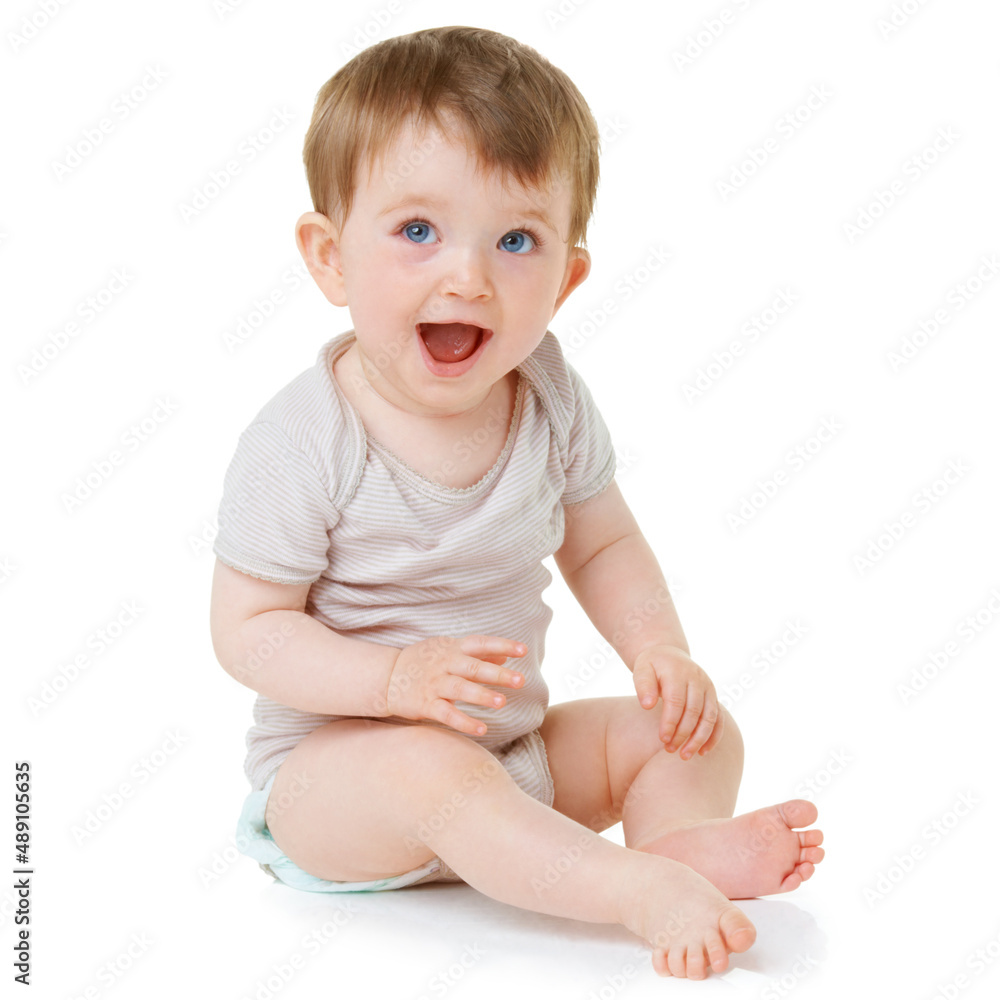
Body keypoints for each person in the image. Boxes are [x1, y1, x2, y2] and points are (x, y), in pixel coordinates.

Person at [209, 25, 824, 980]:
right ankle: (631, 888)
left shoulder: (547, 395)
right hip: (339, 793)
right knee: (431, 769)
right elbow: (248, 632)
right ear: (330, 258)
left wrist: (659, 652)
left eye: (516, 239)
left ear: (568, 277)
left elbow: (605, 542)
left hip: (515, 757)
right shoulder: (302, 442)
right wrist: (394, 685)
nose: (469, 275)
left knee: (688, 729)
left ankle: (676, 842)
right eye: (418, 231)